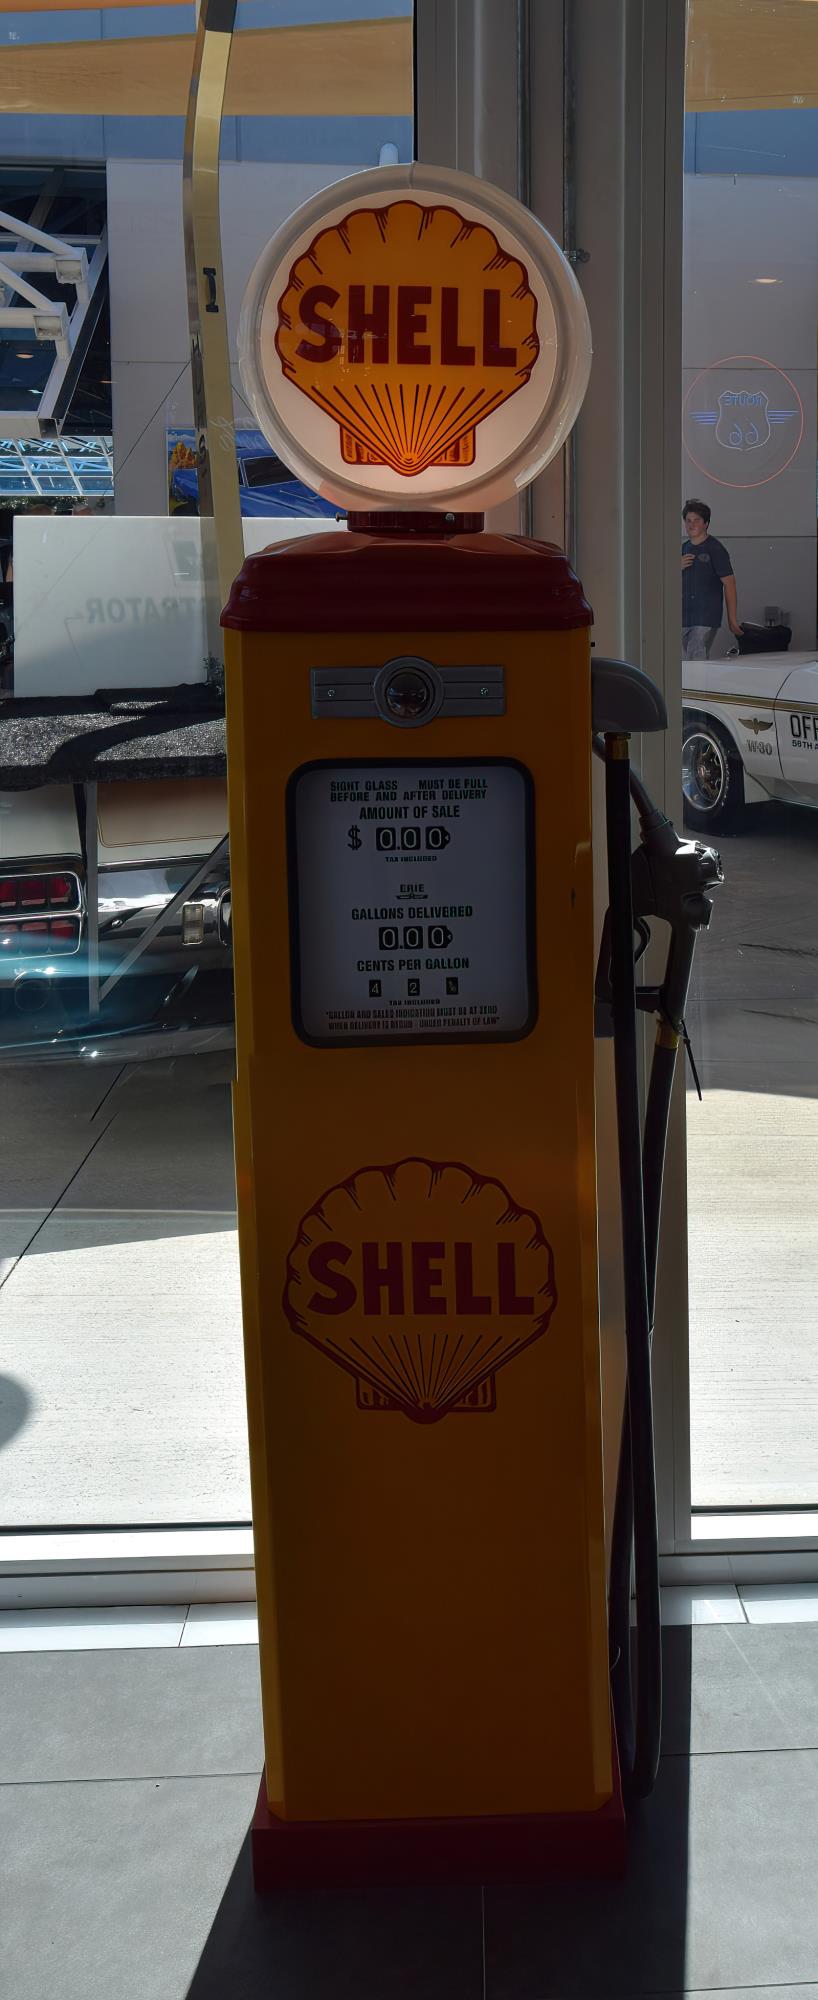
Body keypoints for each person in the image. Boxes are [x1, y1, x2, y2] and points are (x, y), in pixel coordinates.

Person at [681, 498, 742, 660]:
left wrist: (732, 619)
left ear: (706, 524)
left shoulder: (715, 548)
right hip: (683, 616)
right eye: (688, 520)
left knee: (696, 659)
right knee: (684, 662)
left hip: (704, 616)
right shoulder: (683, 548)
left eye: (696, 520)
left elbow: (729, 583)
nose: (691, 524)